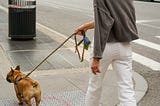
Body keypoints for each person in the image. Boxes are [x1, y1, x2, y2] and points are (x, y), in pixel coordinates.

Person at [75, 0, 139, 106]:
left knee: (94, 87)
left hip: (104, 47)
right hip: (124, 46)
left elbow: (103, 23)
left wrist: (96, 57)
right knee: (126, 88)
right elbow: (113, 19)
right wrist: (86, 26)